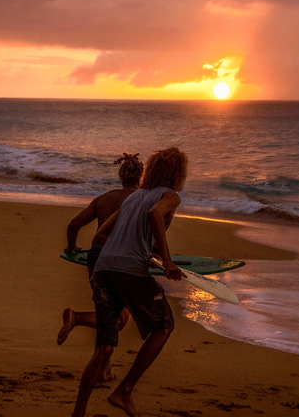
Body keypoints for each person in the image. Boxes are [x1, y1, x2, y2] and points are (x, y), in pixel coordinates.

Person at [72, 147, 188, 417]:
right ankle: (124, 391)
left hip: (103, 270)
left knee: (103, 348)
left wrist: (143, 251)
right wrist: (168, 262)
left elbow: (100, 235)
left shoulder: (134, 197)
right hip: (128, 271)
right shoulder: (170, 196)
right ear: (177, 173)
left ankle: (78, 413)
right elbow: (155, 215)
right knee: (164, 326)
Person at [58, 153, 144, 380]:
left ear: (120, 176)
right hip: (123, 259)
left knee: (107, 312)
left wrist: (71, 246)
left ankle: (103, 370)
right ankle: (76, 318)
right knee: (119, 319)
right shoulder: (140, 200)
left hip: (96, 258)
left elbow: (73, 224)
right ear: (141, 177)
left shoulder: (104, 199)